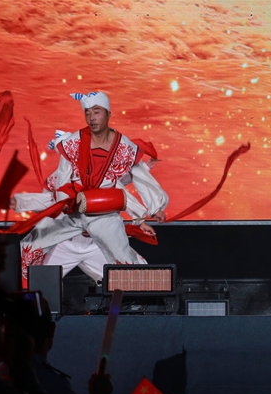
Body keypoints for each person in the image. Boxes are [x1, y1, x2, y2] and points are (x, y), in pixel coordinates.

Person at [16, 92, 168, 290]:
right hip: (69, 232)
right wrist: (63, 203)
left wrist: (153, 209)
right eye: (87, 113)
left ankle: (145, 299)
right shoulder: (72, 147)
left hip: (100, 228)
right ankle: (33, 302)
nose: (92, 118)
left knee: (128, 266)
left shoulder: (123, 147)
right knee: (32, 249)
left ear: (108, 114)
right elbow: (56, 190)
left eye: (97, 112)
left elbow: (131, 180)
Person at [14, 165, 156, 287]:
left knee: (137, 278)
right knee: (37, 282)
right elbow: (46, 202)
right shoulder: (59, 179)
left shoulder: (101, 176)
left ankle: (130, 309)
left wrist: (140, 221)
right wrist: (20, 203)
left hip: (96, 245)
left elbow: (122, 192)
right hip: (63, 245)